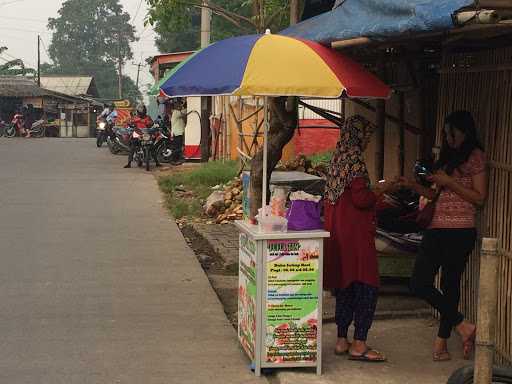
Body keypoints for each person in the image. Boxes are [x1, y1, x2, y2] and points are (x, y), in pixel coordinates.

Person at [399, 110, 487, 362]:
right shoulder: (447, 157)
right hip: (436, 228)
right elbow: (435, 192)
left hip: (460, 231)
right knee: (418, 282)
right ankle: (463, 325)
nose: (449, 139)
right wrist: (411, 185)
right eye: (446, 134)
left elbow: (479, 198)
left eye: (453, 134)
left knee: (450, 286)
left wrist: (450, 182)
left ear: (465, 132)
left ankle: (441, 343)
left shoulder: (476, 156)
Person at [324, 115, 395, 362]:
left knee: (345, 286)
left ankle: (342, 340)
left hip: (338, 235)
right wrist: (383, 188)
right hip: (355, 238)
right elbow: (361, 199)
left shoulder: (337, 157)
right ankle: (360, 344)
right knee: (367, 285)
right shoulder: (354, 159)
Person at [123, 103, 160, 168]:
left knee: (152, 147)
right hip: (137, 134)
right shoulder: (134, 118)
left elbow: (152, 123)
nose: (142, 112)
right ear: (138, 111)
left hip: (146, 134)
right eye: (140, 110)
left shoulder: (148, 117)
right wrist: (130, 124)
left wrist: (153, 126)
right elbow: (129, 122)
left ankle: (157, 162)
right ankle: (129, 163)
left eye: (143, 110)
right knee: (133, 147)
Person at [170, 98, 187, 165]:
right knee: (177, 148)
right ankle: (174, 160)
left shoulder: (176, 112)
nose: (179, 106)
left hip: (178, 132)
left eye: (180, 104)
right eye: (178, 105)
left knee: (178, 147)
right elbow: (185, 112)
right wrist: (189, 105)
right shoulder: (176, 112)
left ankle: (176, 159)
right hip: (177, 133)